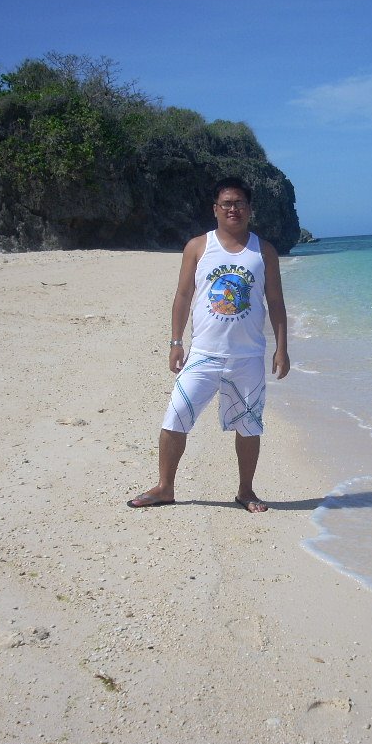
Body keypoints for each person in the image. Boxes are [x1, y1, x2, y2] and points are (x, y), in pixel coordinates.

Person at [127, 177, 290, 512]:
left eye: (240, 203)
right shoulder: (198, 246)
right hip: (203, 354)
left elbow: (275, 302)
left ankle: (246, 491)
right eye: (226, 203)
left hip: (248, 357)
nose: (233, 209)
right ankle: (165, 487)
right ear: (215, 209)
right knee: (175, 417)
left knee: (248, 426)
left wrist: (282, 348)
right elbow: (184, 295)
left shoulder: (265, 251)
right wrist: (176, 342)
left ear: (249, 209)